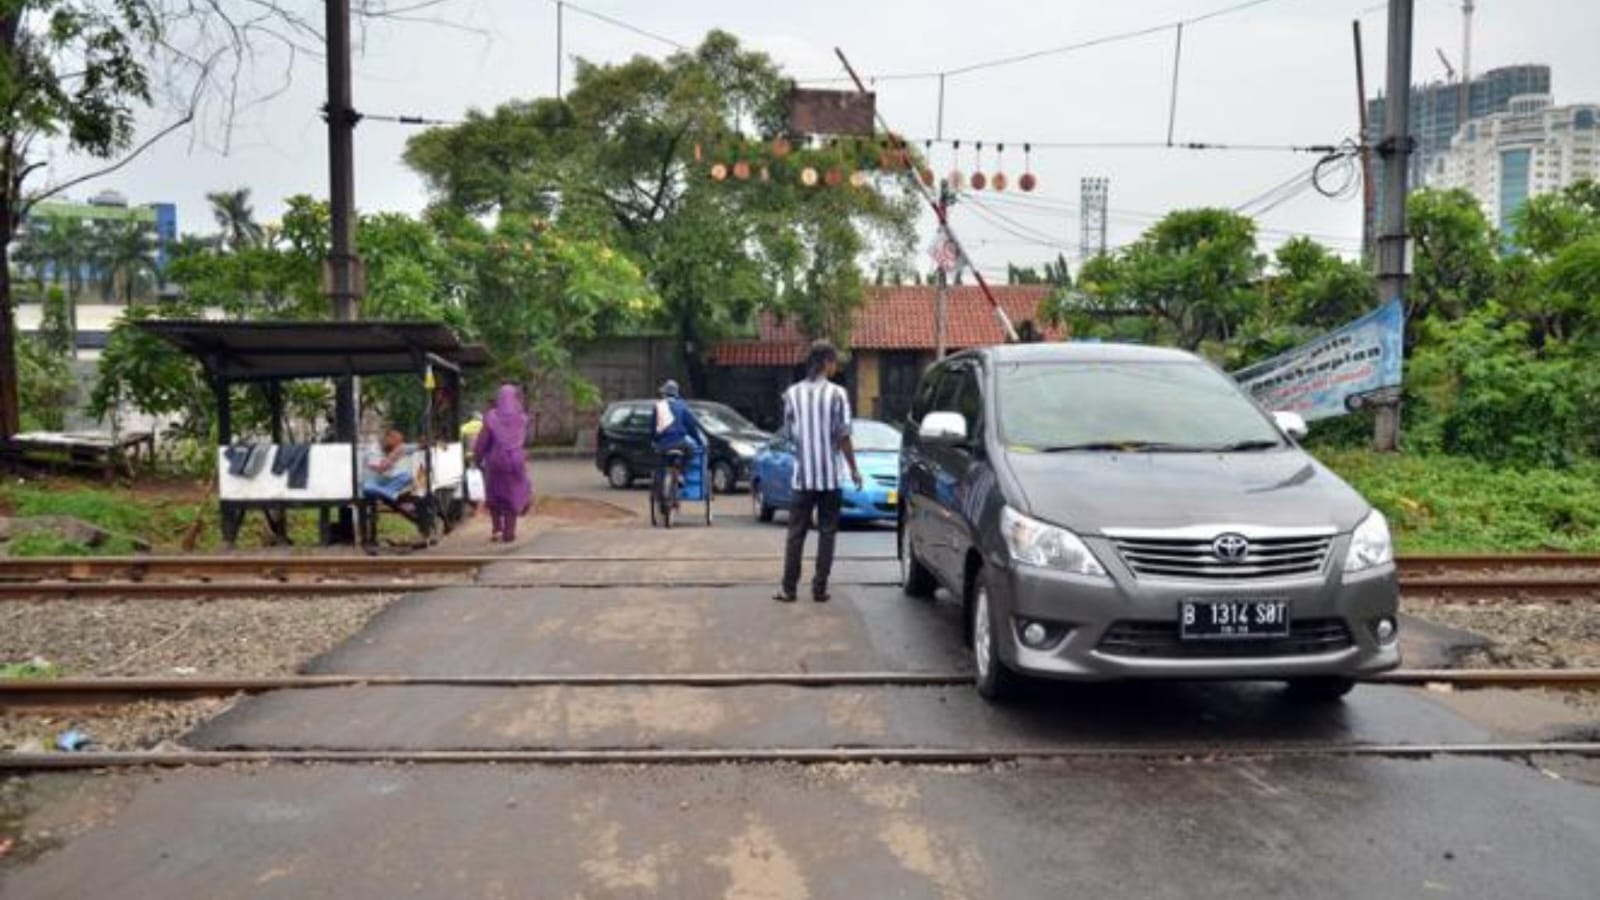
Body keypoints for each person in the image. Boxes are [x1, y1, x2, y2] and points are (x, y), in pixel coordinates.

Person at [775, 340, 862, 603]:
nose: (836, 367)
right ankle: (819, 588)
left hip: (803, 477)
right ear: (826, 363)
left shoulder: (792, 393)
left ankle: (789, 589)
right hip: (830, 477)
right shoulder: (837, 394)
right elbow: (844, 436)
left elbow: (789, 433)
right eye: (834, 362)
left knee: (796, 533)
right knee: (827, 532)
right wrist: (854, 469)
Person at [473, 384, 533, 543]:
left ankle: (497, 529)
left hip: (496, 461)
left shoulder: (491, 417)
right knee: (512, 493)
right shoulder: (522, 418)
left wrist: (477, 459)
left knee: (494, 492)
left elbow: (482, 442)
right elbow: (523, 441)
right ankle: (509, 531)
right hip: (517, 461)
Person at [652, 379, 706, 488]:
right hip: (680, 443)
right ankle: (681, 474)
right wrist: (699, 441)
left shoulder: (658, 406)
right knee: (690, 452)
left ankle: (659, 484)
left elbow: (653, 427)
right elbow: (691, 427)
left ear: (664, 393)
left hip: (663, 444)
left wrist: (654, 439)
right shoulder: (682, 406)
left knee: (660, 462)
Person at [361, 427, 415, 501]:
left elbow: (412, 447)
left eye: (400, 442)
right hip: (373, 482)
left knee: (407, 475)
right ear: (388, 438)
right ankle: (389, 493)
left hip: (386, 481)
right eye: (397, 442)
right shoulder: (374, 449)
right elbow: (380, 469)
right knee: (367, 488)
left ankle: (388, 492)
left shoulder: (395, 448)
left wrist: (422, 445)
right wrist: (393, 456)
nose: (399, 445)